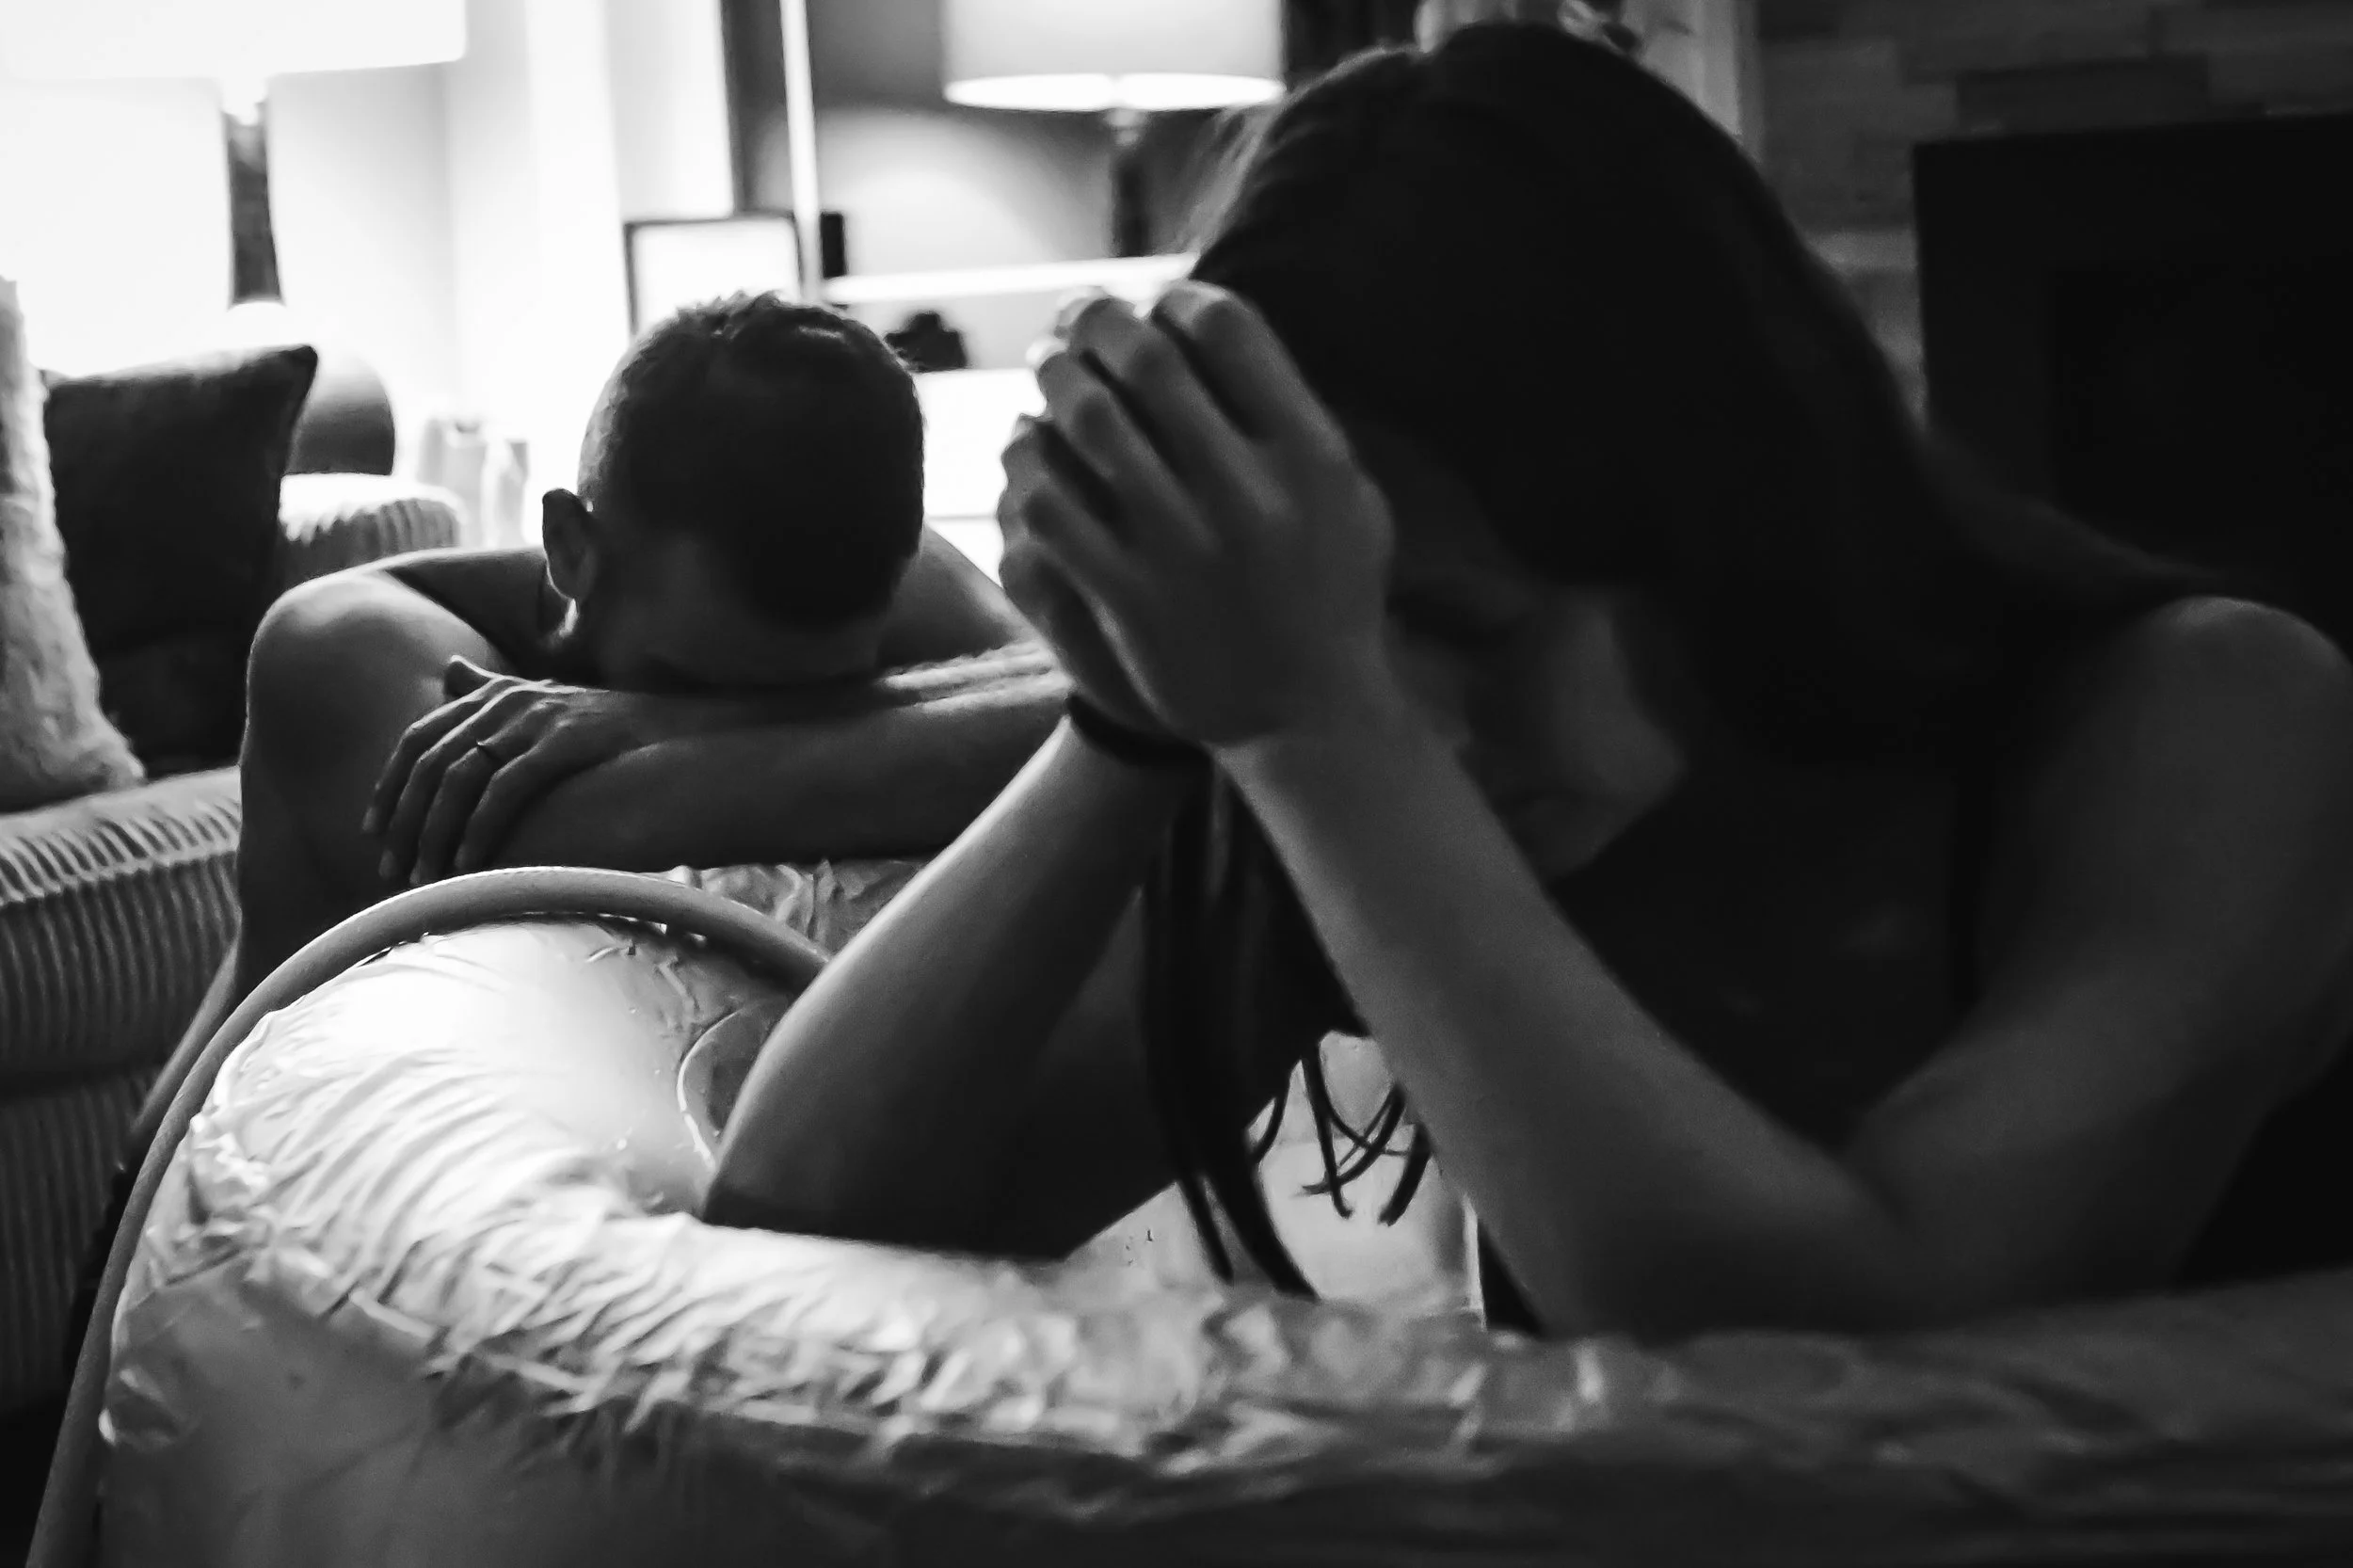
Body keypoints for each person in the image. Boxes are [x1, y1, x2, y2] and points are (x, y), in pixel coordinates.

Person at [700, 21, 2353, 1342]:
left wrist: (1319, 722)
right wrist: (1134, 709)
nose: (1429, 727)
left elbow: (1848, 1377)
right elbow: (800, 1225)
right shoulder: (1373, 776)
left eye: (1472, 625)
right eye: (1351, 636)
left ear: (1732, 509)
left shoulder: (2212, 721)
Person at [232, 293, 1055, 1000]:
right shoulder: (341, 640)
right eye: (683, 683)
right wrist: (880, 717)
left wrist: (655, 721)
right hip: (247, 1158)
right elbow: (527, 865)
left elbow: (1104, 715)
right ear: (570, 545)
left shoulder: (868, 562)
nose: (730, 711)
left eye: (821, 690)